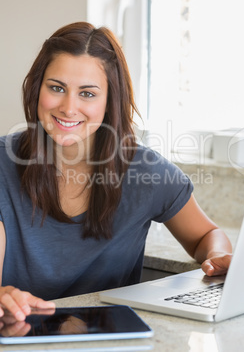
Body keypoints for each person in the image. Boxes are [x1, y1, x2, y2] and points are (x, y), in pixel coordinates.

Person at [0, 22, 232, 322]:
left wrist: (216, 258)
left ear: (110, 100)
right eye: (56, 88)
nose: (69, 108)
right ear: (37, 89)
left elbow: (207, 235)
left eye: (87, 93)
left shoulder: (146, 171)